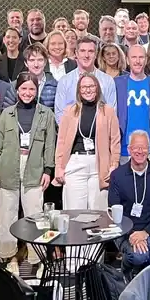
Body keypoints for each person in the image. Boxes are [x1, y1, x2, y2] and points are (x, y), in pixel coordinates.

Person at [0, 72, 57, 275]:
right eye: (24, 88)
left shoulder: (46, 113)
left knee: (36, 216)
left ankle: (38, 259)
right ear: (17, 90)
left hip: (34, 168)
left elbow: (50, 145)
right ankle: (10, 258)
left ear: (37, 91)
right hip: (8, 167)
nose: (27, 93)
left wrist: (48, 170)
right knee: (7, 215)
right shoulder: (7, 113)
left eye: (32, 89)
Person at [108, 130, 150, 277]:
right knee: (139, 256)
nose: (140, 151)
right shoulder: (117, 176)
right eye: (136, 147)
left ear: (149, 149)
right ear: (129, 149)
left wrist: (145, 233)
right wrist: (132, 234)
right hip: (127, 233)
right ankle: (127, 270)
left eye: (144, 147)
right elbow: (115, 212)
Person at [55, 74, 120, 210]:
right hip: (76, 163)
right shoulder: (70, 111)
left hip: (99, 164)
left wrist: (114, 164)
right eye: (84, 87)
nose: (88, 90)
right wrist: (59, 167)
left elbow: (115, 141)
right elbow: (61, 141)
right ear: (79, 90)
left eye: (91, 86)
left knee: (97, 211)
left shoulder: (108, 111)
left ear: (97, 88)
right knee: (74, 211)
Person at [115, 45, 150, 163]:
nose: (137, 61)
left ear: (146, 60)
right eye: (134, 57)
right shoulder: (117, 83)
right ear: (127, 60)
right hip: (125, 150)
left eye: (141, 57)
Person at [53, 37, 118, 124]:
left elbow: (112, 113)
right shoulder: (65, 81)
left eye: (90, 51)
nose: (86, 55)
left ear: (96, 54)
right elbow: (59, 113)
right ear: (76, 53)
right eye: (82, 51)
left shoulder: (107, 81)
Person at [22, 44, 58, 110]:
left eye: (40, 60)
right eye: (32, 60)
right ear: (25, 63)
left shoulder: (55, 86)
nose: (36, 65)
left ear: (45, 62)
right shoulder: (15, 86)